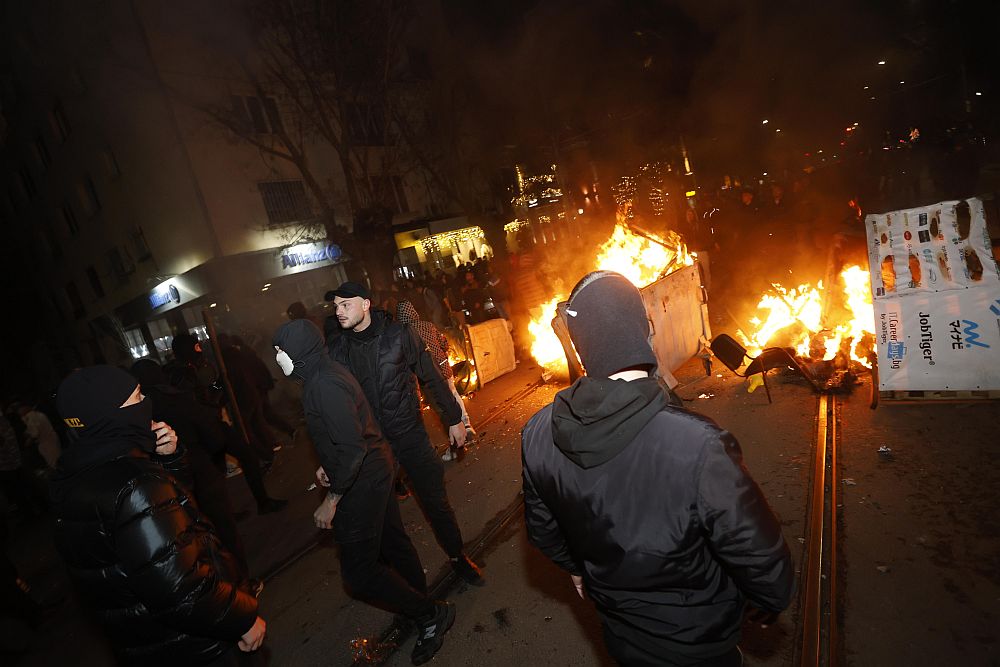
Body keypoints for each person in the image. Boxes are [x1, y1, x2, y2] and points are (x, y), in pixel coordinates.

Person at [522, 271, 794, 667]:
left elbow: (544, 532)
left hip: (621, 639)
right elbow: (769, 571)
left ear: (580, 348)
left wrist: (580, 569)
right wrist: (762, 601)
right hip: (700, 646)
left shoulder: (537, 433)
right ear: (645, 332)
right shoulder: (699, 445)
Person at [50, 365, 265, 666]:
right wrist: (240, 617)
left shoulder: (72, 480)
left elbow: (165, 525)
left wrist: (170, 462)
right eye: (137, 398)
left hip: (147, 645)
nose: (146, 403)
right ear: (109, 413)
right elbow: (179, 588)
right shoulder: (135, 484)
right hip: (195, 646)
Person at [273, 319, 455, 665]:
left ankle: (428, 613)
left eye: (281, 350)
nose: (278, 357)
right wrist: (329, 461)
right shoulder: (323, 375)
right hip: (373, 469)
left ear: (299, 350)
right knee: (393, 544)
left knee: (358, 573)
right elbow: (348, 433)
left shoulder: (323, 384)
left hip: (362, 481)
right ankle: (418, 602)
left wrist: (332, 500)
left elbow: (353, 449)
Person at [328, 281, 484, 586]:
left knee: (436, 502)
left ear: (366, 304)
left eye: (345, 305)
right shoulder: (339, 349)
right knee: (385, 520)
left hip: (410, 436)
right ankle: (411, 585)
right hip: (374, 446)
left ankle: (457, 556)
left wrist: (453, 418)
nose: (339, 312)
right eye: (335, 307)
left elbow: (430, 375)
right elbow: (335, 403)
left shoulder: (400, 335)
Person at [395, 300, 475, 461]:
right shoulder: (427, 325)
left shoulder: (406, 334)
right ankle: (466, 426)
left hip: (429, 375)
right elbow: (444, 343)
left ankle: (456, 446)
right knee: (453, 395)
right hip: (445, 368)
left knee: (442, 408)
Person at [16, 402, 61, 470]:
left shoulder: (30, 417)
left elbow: (35, 433)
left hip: (46, 443)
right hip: (52, 439)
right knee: (59, 459)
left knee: (55, 463)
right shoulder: (38, 414)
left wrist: (28, 441)